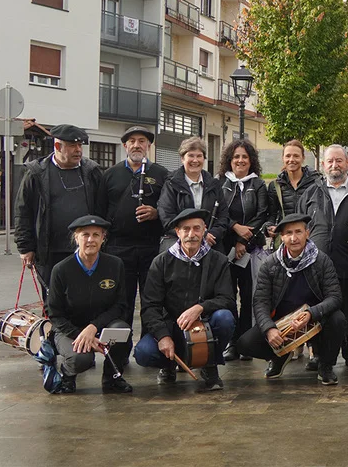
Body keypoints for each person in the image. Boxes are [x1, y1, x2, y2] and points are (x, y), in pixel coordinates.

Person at [236, 213, 347, 385]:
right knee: (245, 344)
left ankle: (325, 365)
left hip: (315, 319)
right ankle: (280, 356)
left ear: (307, 233)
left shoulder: (322, 260)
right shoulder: (270, 263)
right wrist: (269, 329)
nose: (294, 238)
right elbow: (260, 301)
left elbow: (335, 297)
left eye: (298, 232)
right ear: (282, 237)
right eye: (288, 233)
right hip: (282, 322)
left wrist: (311, 314)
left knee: (338, 319)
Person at [134, 208, 236, 391]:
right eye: (186, 229)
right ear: (177, 232)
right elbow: (150, 306)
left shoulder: (218, 260)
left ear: (204, 229)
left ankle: (209, 364)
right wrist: (163, 336)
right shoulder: (161, 262)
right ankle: (168, 365)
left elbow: (227, 299)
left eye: (196, 228)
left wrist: (200, 308)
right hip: (172, 327)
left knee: (225, 318)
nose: (191, 234)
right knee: (144, 352)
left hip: (204, 327)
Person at [300, 144, 348, 371]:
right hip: (316, 265)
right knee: (318, 310)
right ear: (323, 165)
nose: (335, 165)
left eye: (339, 160)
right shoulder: (312, 192)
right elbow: (300, 224)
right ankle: (317, 353)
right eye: (330, 161)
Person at [44, 215, 133, 394]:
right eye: (85, 235)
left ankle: (112, 378)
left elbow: (120, 305)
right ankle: (68, 375)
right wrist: (80, 334)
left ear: (103, 238)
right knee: (81, 358)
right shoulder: (61, 270)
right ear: (76, 238)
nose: (91, 240)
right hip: (69, 329)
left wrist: (93, 327)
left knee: (122, 332)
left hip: (101, 325)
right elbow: (54, 313)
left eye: (96, 235)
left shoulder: (115, 265)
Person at [15, 124, 104, 291]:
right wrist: (25, 247)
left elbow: (102, 208)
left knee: (84, 295)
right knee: (53, 298)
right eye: (72, 145)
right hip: (49, 251)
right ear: (57, 146)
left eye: (80, 145)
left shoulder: (92, 172)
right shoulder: (36, 173)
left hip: (85, 249)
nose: (78, 150)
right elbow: (23, 212)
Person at [98, 125, 169, 332]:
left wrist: (156, 213)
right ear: (125, 146)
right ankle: (120, 347)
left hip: (151, 248)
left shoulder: (162, 174)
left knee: (151, 300)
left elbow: (170, 209)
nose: (137, 145)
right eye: (132, 141)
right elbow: (100, 210)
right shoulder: (110, 174)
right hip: (118, 248)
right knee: (121, 301)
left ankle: (149, 344)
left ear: (149, 146)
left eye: (142, 141)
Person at [217, 139, 270, 361]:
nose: (240, 160)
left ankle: (245, 342)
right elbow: (217, 213)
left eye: (244, 157)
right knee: (228, 295)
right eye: (236, 157)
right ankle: (231, 343)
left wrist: (242, 241)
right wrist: (234, 227)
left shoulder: (258, 185)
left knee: (249, 296)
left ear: (251, 160)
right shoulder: (220, 183)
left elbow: (262, 214)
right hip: (224, 249)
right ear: (229, 160)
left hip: (250, 248)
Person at [157, 136, 228, 252]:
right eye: (191, 155)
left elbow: (223, 215)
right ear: (182, 158)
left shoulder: (214, 184)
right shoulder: (171, 184)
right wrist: (196, 235)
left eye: (199, 156)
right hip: (180, 246)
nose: (195, 160)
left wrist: (213, 234)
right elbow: (166, 217)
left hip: (210, 245)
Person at [267, 139, 323, 235]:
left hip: (311, 236)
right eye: (288, 156)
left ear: (303, 158)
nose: (291, 160)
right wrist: (269, 227)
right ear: (283, 158)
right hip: (287, 237)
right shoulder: (275, 186)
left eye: (296, 156)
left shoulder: (316, 182)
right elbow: (271, 215)